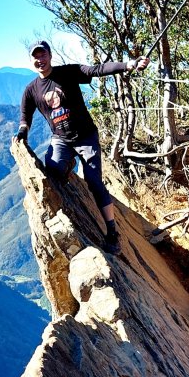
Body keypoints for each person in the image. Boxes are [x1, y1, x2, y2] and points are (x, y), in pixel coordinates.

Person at [14, 40, 150, 253]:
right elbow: (25, 115)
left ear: (50, 55)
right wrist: (23, 131)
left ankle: (112, 232)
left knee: (94, 182)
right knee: (53, 170)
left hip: (85, 136)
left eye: (43, 55)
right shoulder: (31, 90)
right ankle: (66, 166)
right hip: (61, 139)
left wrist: (128, 65)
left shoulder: (68, 73)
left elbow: (97, 70)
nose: (39, 60)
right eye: (36, 57)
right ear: (31, 60)